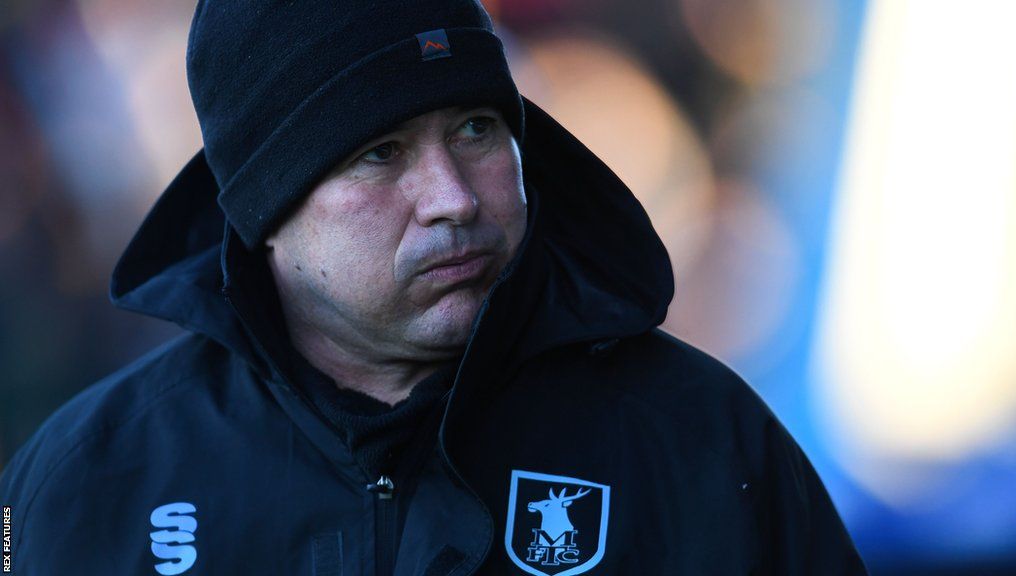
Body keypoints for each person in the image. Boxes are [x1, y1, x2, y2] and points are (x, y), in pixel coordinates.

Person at [0, 1, 868, 574]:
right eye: (381, 153)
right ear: (266, 205)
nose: (454, 198)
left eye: (478, 130)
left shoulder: (703, 442)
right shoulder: (91, 478)